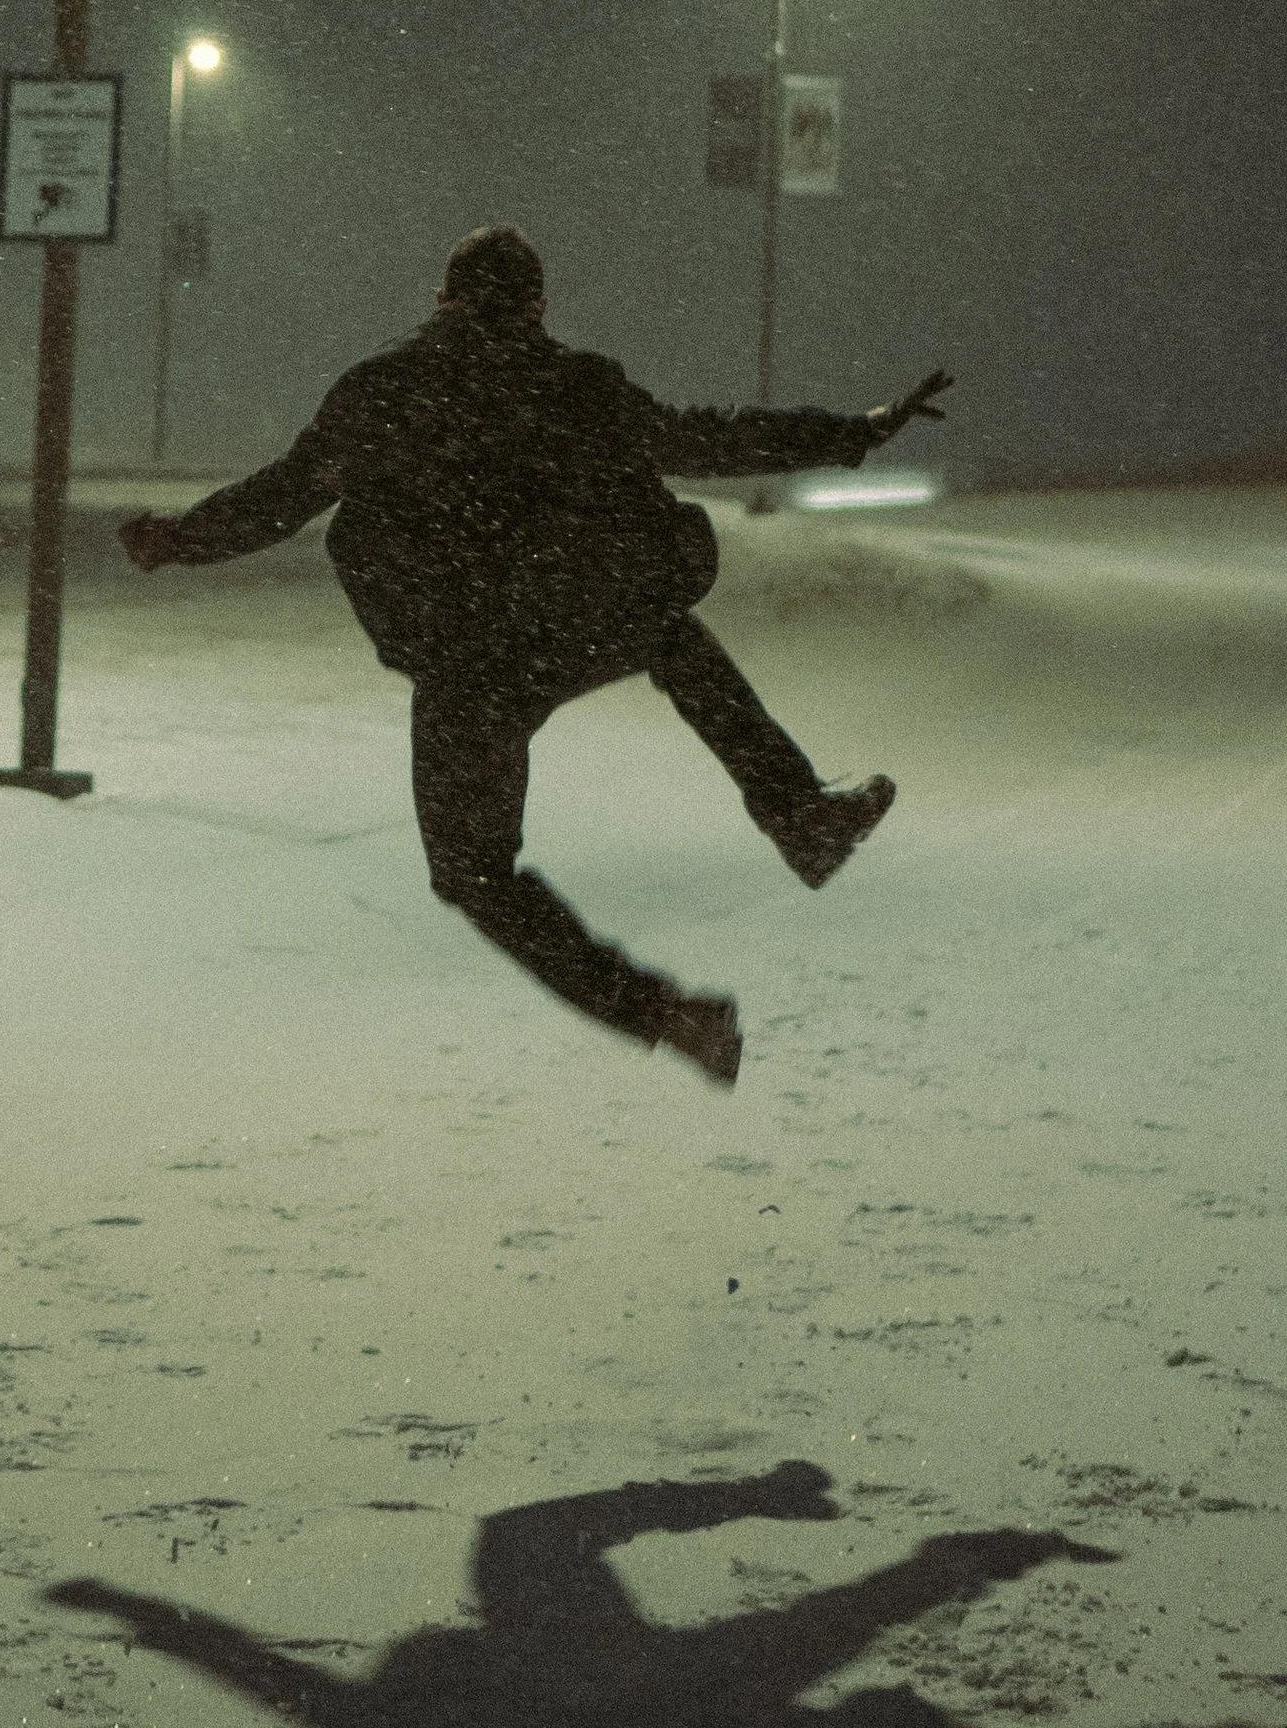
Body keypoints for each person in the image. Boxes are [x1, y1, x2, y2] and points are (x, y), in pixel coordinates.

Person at [119, 223, 950, 1090]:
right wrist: (853, 432)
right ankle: (796, 814)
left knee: (476, 878)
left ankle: (668, 1014)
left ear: (440, 300)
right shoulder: (578, 385)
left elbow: (282, 498)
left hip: (464, 660)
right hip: (568, 628)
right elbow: (706, 441)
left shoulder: (382, 391)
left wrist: (175, 540)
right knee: (667, 632)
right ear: (538, 305)